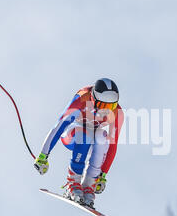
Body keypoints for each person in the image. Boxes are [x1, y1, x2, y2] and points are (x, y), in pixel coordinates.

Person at [34, 78, 124, 208]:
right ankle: (73, 181)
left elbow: (113, 146)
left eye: (112, 106)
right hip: (72, 135)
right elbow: (59, 126)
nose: (107, 111)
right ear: (93, 99)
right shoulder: (82, 99)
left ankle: (89, 185)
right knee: (85, 134)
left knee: (102, 137)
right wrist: (43, 155)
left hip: (91, 138)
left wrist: (103, 175)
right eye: (104, 106)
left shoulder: (117, 113)